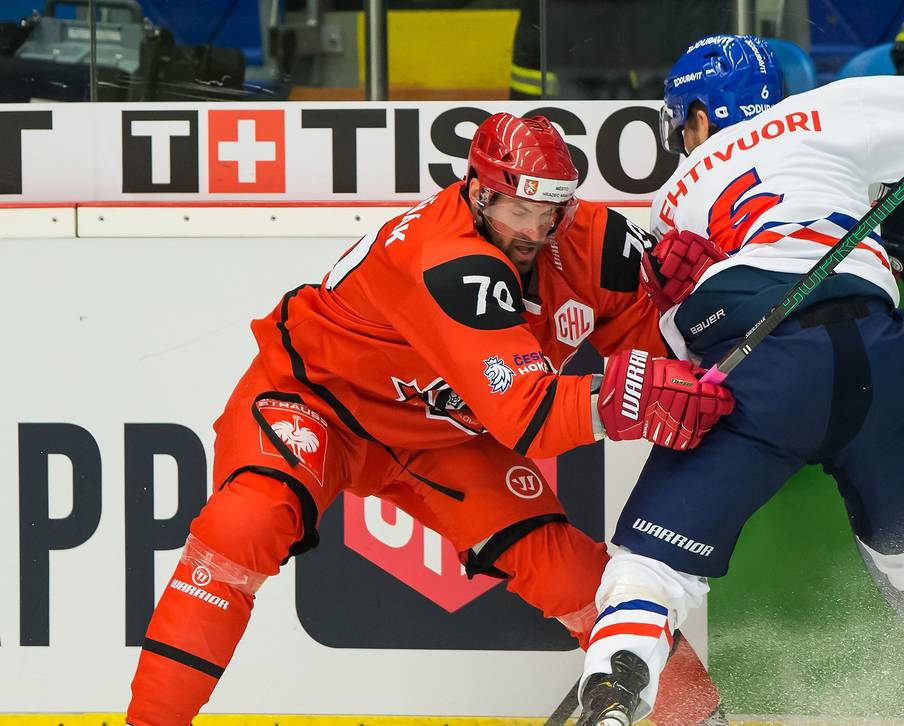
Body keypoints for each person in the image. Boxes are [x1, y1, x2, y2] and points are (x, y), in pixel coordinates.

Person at [125, 112, 734, 726]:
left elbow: (654, 353)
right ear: (478, 191)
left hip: (448, 434)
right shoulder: (444, 258)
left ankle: (699, 720)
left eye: (550, 211)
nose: (534, 230)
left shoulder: (596, 242)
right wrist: (630, 398)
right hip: (320, 402)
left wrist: (677, 301)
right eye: (518, 212)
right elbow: (531, 416)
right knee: (242, 526)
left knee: (574, 575)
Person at [575, 35, 904, 726]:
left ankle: (613, 702)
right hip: (882, 358)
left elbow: (681, 339)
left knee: (650, 570)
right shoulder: (827, 112)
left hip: (760, 367)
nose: (684, 136)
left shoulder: (672, 200)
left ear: (702, 115)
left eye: (683, 120)